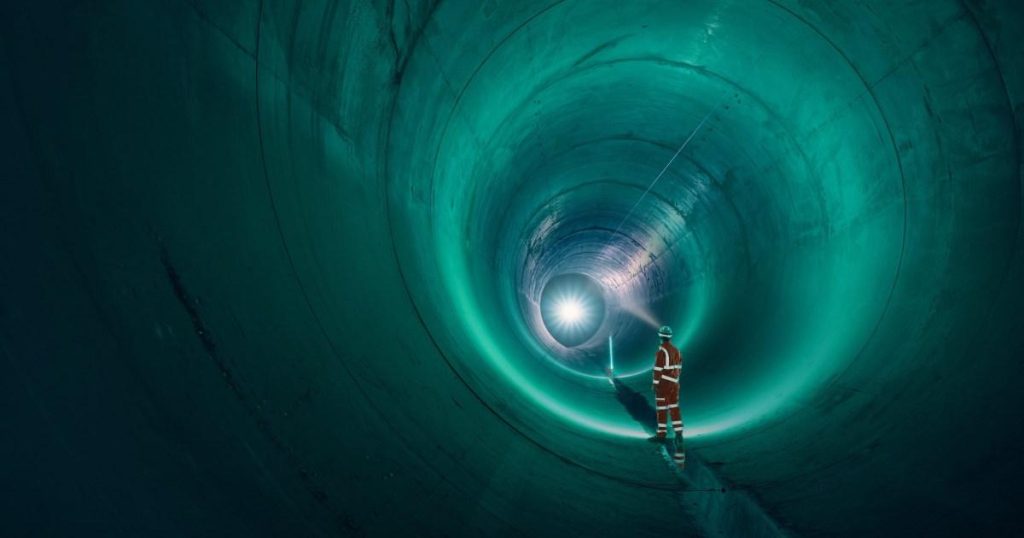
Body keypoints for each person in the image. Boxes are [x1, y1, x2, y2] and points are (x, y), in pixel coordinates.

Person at [650, 326, 685, 466]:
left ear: (660, 336)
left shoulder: (661, 351)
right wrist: (674, 380)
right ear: (670, 337)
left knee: (662, 409)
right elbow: (680, 368)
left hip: (664, 384)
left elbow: (658, 369)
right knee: (675, 408)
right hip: (675, 384)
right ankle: (679, 434)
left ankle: (661, 435)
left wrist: (655, 383)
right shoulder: (677, 350)